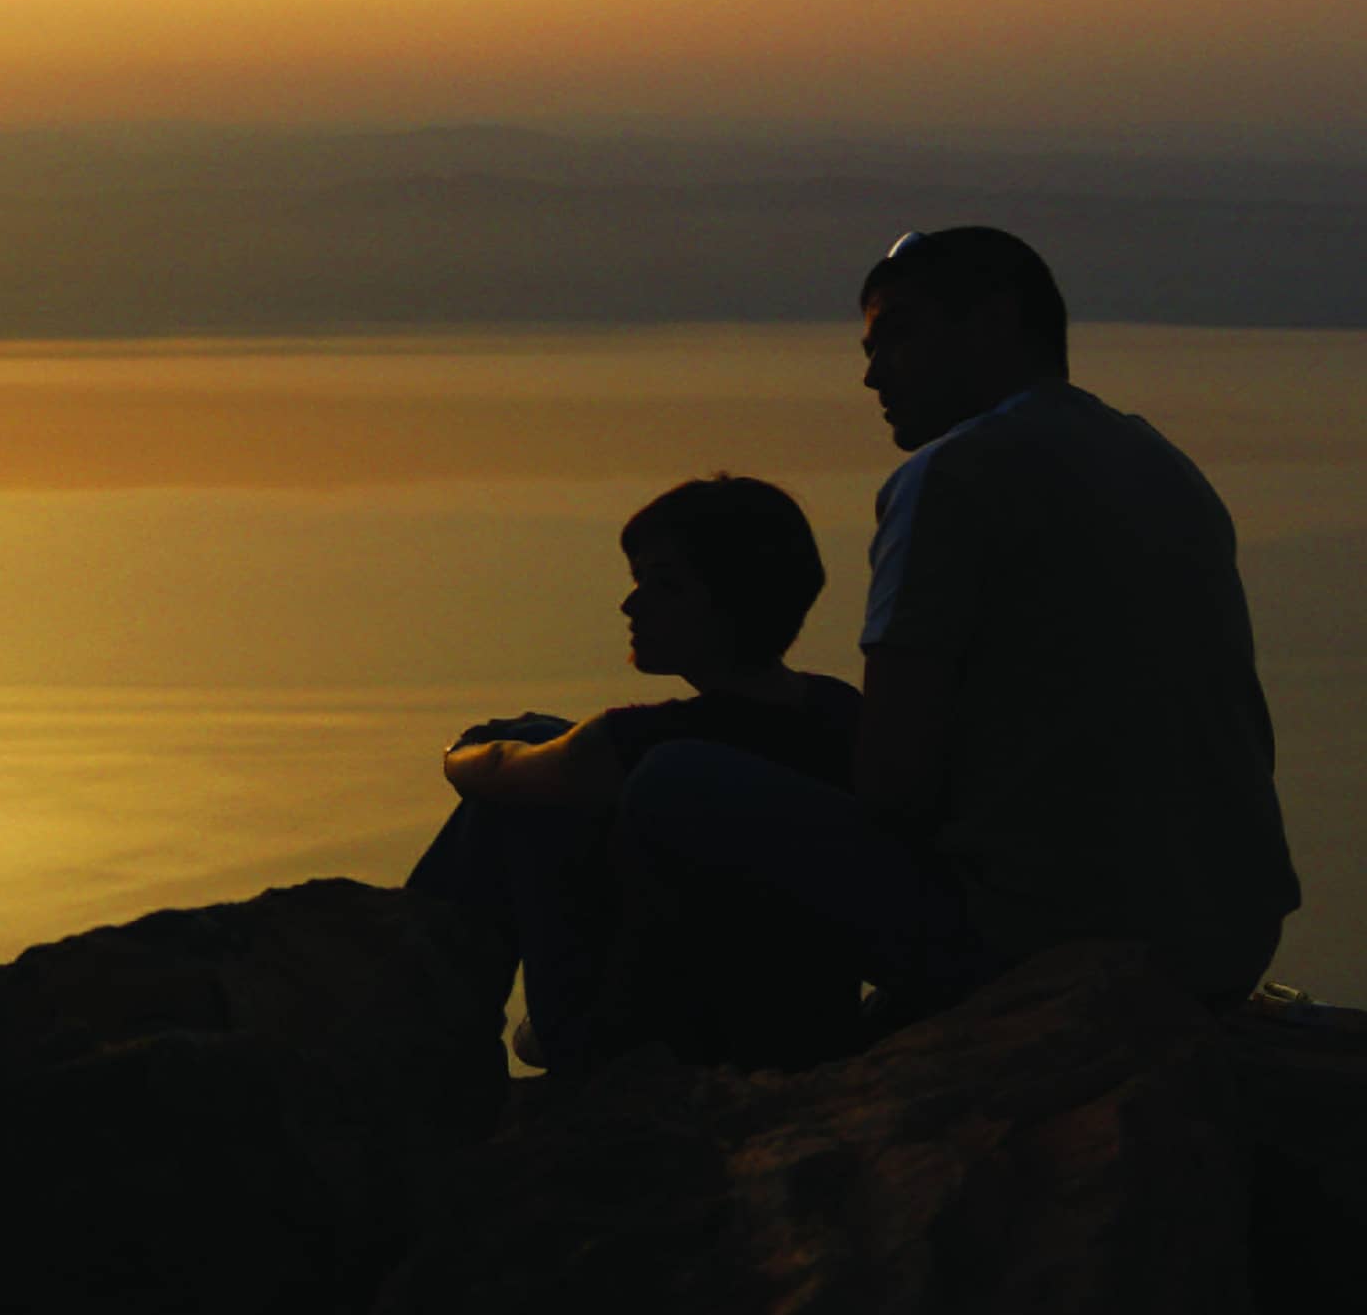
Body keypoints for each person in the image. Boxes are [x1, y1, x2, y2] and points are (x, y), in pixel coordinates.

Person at [616, 226, 1299, 1028]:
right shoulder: (1160, 462)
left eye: (897, 337)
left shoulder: (951, 477)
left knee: (673, 781)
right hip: (1227, 942)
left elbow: (894, 785)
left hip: (1050, 944)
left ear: (996, 321)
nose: (871, 374)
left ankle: (632, 1054)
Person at [406, 475, 862, 1072]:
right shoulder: (839, 708)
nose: (631, 603)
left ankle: (421, 1033)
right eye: (638, 580)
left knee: (522, 773)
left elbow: (495, 770)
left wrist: (460, 749)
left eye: (664, 585)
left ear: (731, 601)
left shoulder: (647, 741)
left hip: (662, 1045)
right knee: (544, 734)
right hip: (808, 1022)